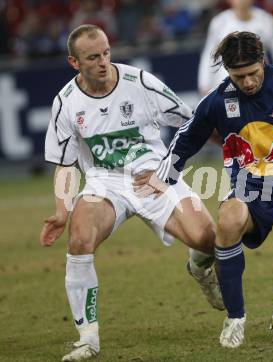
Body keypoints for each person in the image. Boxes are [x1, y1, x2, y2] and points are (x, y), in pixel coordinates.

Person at [137, 31, 273, 348]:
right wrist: (161, 177)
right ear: (228, 72)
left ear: (263, 61)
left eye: (253, 73)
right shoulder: (217, 101)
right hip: (249, 184)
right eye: (239, 76)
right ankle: (235, 318)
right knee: (228, 221)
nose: (248, 82)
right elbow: (186, 139)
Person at [39, 24, 224, 362]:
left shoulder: (139, 82)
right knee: (80, 239)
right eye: (92, 57)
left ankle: (199, 268)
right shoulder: (66, 103)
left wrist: (229, 147)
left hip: (154, 175)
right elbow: (66, 166)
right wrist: (62, 211)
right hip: (104, 183)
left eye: (106, 53)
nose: (103, 62)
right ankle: (88, 339)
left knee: (208, 238)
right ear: (73, 62)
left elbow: (192, 121)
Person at [197, 0, 273, 95]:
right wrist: (204, 84)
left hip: (258, 78)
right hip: (227, 79)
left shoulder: (266, 19)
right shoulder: (219, 22)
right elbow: (209, 54)